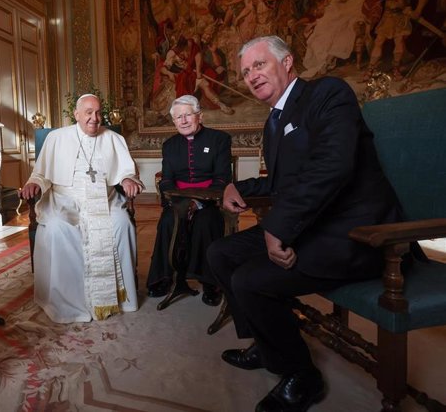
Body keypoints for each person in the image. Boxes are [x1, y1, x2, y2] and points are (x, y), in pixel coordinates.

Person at [206, 35, 400, 411]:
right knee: (221, 253)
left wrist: (279, 226)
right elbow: (282, 185)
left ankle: (301, 375)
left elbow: (333, 166)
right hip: (311, 223)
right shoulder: (275, 121)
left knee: (251, 280)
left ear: (288, 61)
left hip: (356, 234)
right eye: (245, 72)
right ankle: (267, 345)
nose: (251, 76)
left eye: (258, 65)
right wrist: (235, 184)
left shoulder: (328, 93)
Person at [19, 94, 144, 323]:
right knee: (57, 227)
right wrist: (34, 183)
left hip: (104, 201)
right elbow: (41, 173)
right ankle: (69, 302)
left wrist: (127, 179)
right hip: (65, 201)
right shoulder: (56, 138)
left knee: (121, 223)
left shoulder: (114, 138)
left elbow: (126, 171)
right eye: (88, 112)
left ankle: (119, 297)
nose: (94, 118)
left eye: (98, 113)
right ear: (76, 115)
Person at [147, 95, 232, 306]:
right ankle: (166, 277)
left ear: (199, 116)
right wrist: (175, 203)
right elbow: (166, 180)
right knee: (168, 221)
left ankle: (211, 283)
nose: (183, 121)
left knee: (206, 222)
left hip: (210, 201)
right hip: (178, 201)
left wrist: (199, 203)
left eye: (187, 115)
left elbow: (222, 178)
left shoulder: (219, 139)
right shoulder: (169, 145)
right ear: (174, 121)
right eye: (178, 117)